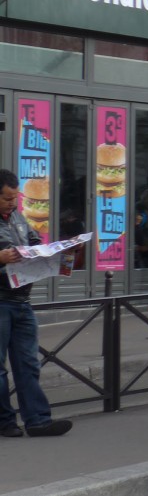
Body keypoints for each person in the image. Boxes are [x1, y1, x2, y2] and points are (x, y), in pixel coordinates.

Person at [0, 170, 72, 437]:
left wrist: (56, 252)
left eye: (14, 198)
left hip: (22, 300)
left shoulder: (18, 219)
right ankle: (5, 422)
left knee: (28, 364)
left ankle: (38, 421)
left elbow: (34, 243)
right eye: (7, 198)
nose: (12, 203)